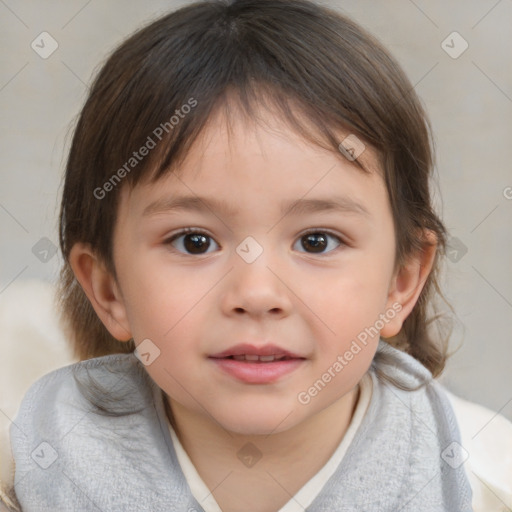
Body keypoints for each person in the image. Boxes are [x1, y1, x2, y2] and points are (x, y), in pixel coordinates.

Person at [4, 0, 474, 510]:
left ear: (401, 283)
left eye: (317, 241)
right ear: (108, 288)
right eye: (194, 241)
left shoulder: (471, 472)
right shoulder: (39, 460)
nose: (256, 294)